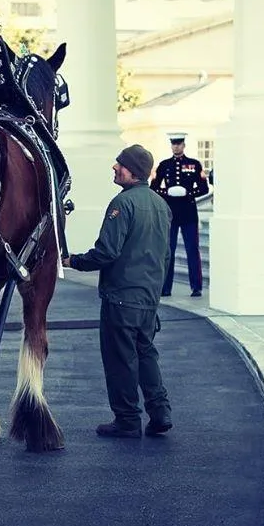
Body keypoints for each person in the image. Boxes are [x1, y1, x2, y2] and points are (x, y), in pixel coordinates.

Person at [63, 144, 173, 438]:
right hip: (148, 298)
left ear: (133, 171)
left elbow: (107, 252)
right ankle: (160, 412)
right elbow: (165, 255)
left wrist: (74, 261)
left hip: (121, 297)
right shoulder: (161, 205)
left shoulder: (121, 204)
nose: (114, 167)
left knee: (120, 358)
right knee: (146, 353)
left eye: (120, 165)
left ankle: (127, 419)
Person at [150, 132, 209, 297]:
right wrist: (167, 192)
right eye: (174, 144)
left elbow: (204, 188)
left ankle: (196, 287)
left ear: (184, 145)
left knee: (192, 249)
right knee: (168, 250)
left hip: (189, 212)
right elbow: (153, 187)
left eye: (179, 143)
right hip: (171, 213)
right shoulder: (164, 165)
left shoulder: (194, 164)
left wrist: (188, 192)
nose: (176, 146)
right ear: (171, 145)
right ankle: (165, 287)